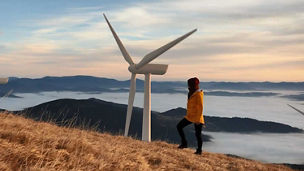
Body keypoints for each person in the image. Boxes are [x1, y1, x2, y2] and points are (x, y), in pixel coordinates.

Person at [176, 77, 205, 155]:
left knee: (198, 134)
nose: (188, 86)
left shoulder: (198, 94)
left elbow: (200, 107)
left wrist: (198, 120)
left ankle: (199, 150)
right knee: (179, 126)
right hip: (190, 116)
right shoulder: (191, 92)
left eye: (189, 84)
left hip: (197, 117)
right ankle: (184, 143)